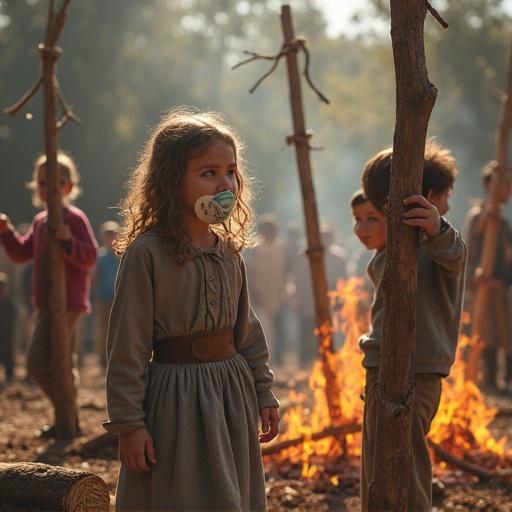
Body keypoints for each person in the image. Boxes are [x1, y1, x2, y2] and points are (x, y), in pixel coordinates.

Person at [102, 108, 280, 512]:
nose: (225, 184)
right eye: (208, 173)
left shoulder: (231, 253)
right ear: (170, 180)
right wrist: (129, 424)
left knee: (229, 493)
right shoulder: (146, 254)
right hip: (175, 400)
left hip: (231, 395)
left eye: (231, 172)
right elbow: (126, 346)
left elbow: (247, 332)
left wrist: (264, 392)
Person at [357, 141, 466, 511]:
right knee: (376, 467)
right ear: (430, 195)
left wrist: (436, 226)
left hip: (418, 375)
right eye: (445, 197)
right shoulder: (389, 251)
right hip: (380, 371)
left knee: (409, 468)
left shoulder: (438, 244)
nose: (448, 206)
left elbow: (454, 254)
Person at [0, 151, 98, 436]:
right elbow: (21, 253)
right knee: (58, 363)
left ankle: (68, 413)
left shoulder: (74, 219)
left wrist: (69, 244)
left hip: (68, 303)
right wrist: (6, 233)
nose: (47, 189)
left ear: (68, 187)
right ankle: (66, 418)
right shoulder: (41, 221)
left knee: (40, 362)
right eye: (42, 183)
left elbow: (89, 256)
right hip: (46, 303)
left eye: (54, 184)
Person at [462, 161, 512, 389]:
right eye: (503, 183)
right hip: (481, 289)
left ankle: (504, 380)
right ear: (489, 185)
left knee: (504, 335)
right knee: (485, 336)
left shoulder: (503, 222)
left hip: (500, 288)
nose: (507, 188)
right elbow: (467, 254)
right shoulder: (477, 218)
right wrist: (479, 276)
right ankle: (485, 381)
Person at [247, 213, 287, 363]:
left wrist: (284, 292)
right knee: (264, 330)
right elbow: (249, 272)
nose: (269, 232)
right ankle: (264, 361)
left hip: (277, 296)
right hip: (259, 296)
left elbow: (282, 271)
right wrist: (253, 294)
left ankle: (278, 358)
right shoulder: (255, 247)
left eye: (271, 229)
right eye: (266, 229)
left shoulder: (280, 247)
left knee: (278, 329)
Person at [93, 220, 120, 369]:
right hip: (103, 299)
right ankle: (103, 361)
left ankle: (116, 359)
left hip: (119, 300)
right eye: (107, 236)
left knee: (118, 330)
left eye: (112, 236)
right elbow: (94, 278)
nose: (110, 239)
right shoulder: (99, 257)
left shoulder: (122, 255)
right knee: (103, 331)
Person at [0, 273, 15, 384]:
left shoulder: (9, 304)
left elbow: (11, 320)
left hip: (6, 334)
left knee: (7, 352)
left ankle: (10, 374)